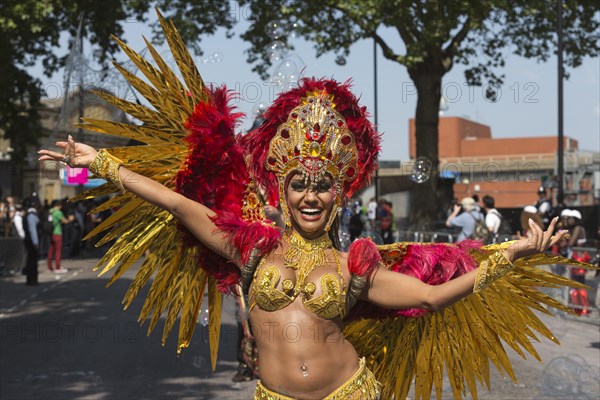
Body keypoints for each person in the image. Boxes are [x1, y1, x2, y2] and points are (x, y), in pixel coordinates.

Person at [37, 21, 575, 398]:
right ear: (282, 190)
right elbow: (180, 204)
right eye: (299, 184)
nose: (310, 195)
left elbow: (433, 296)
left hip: (351, 394)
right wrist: (104, 162)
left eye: (322, 186)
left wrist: (511, 254)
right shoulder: (249, 248)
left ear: (339, 196)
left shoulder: (353, 266)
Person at [47, 200, 73, 273]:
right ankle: (57, 267)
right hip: (57, 232)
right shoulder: (58, 212)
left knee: (51, 250)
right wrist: (70, 219)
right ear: (58, 205)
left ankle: (49, 267)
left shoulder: (50, 211)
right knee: (58, 250)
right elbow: (65, 221)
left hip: (51, 232)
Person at [22, 200, 40, 286]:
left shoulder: (27, 215)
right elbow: (33, 230)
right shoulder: (32, 216)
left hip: (28, 240)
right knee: (32, 261)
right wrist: (36, 242)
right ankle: (32, 279)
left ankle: (30, 279)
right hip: (31, 241)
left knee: (30, 260)